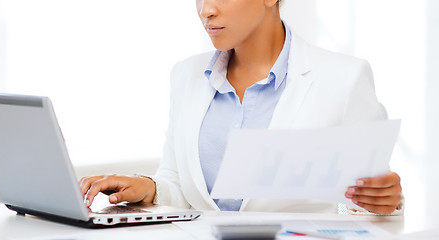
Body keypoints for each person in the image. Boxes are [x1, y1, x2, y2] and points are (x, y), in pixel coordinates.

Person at [79, 0, 403, 215]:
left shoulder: (344, 79)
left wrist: (384, 201)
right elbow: (180, 185)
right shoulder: (185, 75)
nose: (205, 10)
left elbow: (367, 200)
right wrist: (149, 188)